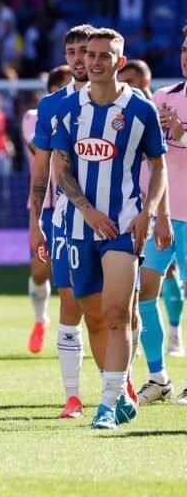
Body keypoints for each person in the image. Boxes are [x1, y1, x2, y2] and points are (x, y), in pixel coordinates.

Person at [51, 28, 170, 430]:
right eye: (91, 54)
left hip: (122, 229)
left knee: (118, 315)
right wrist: (85, 210)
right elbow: (60, 168)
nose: (96, 61)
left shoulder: (140, 110)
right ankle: (118, 395)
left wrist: (149, 211)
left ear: (120, 63)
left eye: (105, 55)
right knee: (95, 318)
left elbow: (158, 166)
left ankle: (107, 404)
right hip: (77, 229)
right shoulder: (68, 110)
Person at [28, 26, 95, 419]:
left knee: (116, 310)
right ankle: (73, 397)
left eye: (84, 51)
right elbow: (41, 169)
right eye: (71, 51)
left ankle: (121, 383)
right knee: (71, 305)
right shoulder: (52, 105)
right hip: (65, 221)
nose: (78, 58)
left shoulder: (128, 103)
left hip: (115, 220)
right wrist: (36, 219)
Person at [135, 29, 187, 405]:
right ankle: (159, 379)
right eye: (184, 48)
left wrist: (182, 135)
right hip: (163, 218)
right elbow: (152, 162)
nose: (186, 55)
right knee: (144, 293)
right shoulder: (163, 98)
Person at [22, 65, 72, 351]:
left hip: (74, 205)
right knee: (41, 270)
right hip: (44, 207)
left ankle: (74, 334)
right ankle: (41, 320)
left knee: (71, 271)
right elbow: (42, 151)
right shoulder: (34, 116)